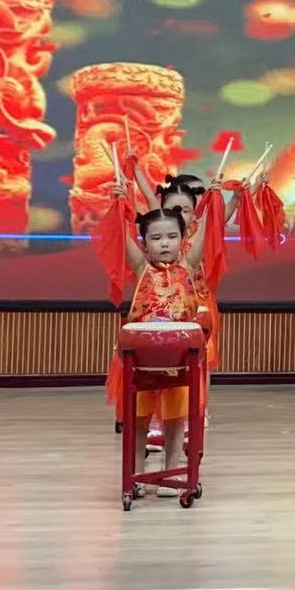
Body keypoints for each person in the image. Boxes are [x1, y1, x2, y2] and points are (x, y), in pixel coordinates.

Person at [113, 207, 208, 496]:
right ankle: (137, 476)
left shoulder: (188, 266)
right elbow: (120, 231)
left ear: (183, 239)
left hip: (179, 361)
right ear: (144, 244)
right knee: (138, 422)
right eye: (156, 238)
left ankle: (172, 473)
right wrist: (119, 203)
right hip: (142, 362)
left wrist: (219, 197)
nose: (164, 243)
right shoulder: (142, 269)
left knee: (175, 420)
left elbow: (210, 226)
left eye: (171, 236)